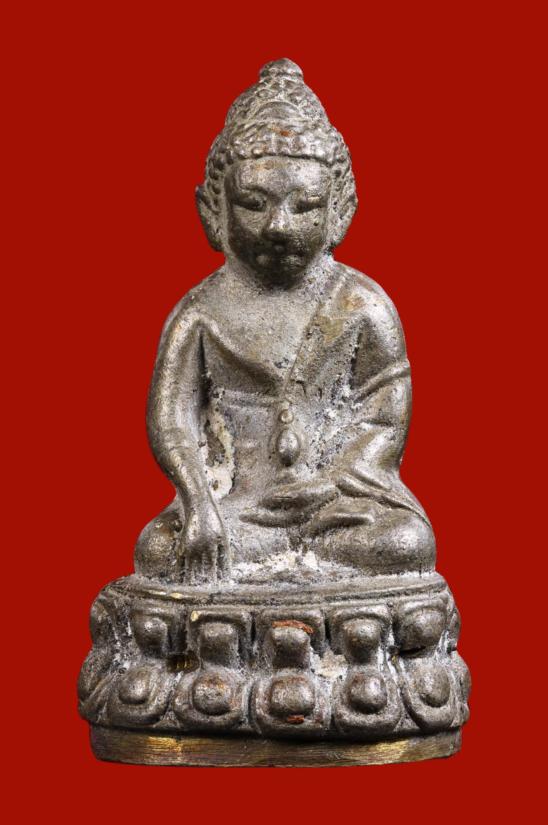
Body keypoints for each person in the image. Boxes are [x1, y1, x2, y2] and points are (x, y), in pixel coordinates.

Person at [135, 59, 435, 585]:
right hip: (240, 507)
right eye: (253, 204)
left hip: (336, 506)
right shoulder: (200, 312)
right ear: (213, 211)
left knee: (404, 542)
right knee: (161, 549)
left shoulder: (362, 305)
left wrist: (336, 482)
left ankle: (295, 567)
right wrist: (200, 501)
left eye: (305, 206)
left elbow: (384, 416)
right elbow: (173, 419)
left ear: (340, 211)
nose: (278, 225)